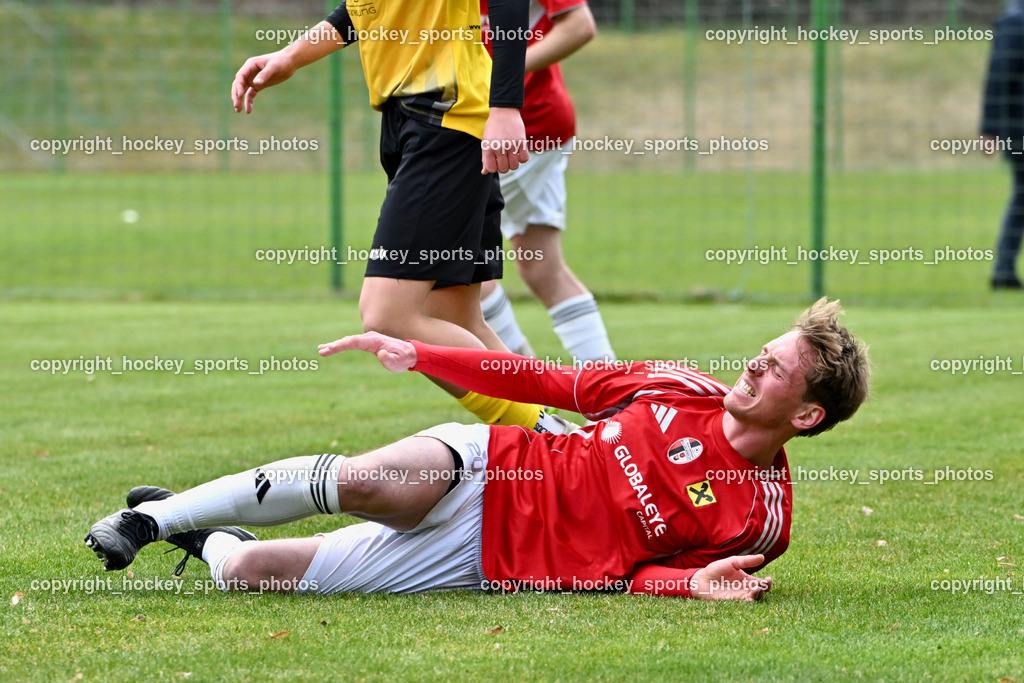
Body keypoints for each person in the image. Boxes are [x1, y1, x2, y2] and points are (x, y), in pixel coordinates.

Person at [85, 298, 869, 601]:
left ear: (804, 416)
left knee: (253, 573)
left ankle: (201, 530)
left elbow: (641, 575)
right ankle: (146, 525)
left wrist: (692, 586)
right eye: (761, 351)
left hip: (496, 561)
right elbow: (542, 378)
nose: (754, 363)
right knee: (367, 480)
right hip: (498, 466)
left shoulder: (763, 522)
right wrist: (425, 356)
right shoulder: (674, 385)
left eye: (775, 367)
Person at [232, 2, 568, 432]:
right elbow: (365, 9)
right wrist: (291, 56)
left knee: (387, 315)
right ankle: (560, 443)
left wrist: (506, 107)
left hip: (445, 119)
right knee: (453, 320)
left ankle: (549, 435)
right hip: (418, 123)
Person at [477, 0, 616, 362]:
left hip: (520, 127)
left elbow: (579, 25)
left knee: (455, 269)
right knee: (541, 267)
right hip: (503, 125)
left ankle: (524, 384)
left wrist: (499, 71)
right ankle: (613, 398)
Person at [982, 0, 1024, 289]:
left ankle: (1004, 269)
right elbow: (999, 77)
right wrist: (990, 129)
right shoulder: (1015, 21)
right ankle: (1003, 269)